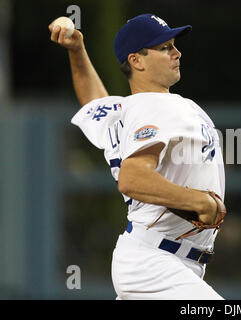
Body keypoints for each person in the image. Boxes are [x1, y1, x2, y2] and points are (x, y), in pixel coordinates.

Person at [49, 13, 225, 300]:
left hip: (157, 259)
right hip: (155, 264)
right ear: (137, 60)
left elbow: (94, 102)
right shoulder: (158, 106)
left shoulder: (127, 110)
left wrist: (77, 51)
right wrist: (199, 202)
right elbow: (132, 178)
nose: (177, 52)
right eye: (165, 47)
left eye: (173, 45)